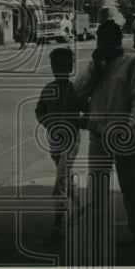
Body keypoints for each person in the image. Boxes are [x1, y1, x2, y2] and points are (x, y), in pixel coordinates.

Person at [74, 19, 135, 245]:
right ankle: (97, 233)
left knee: (130, 187)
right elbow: (76, 93)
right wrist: (96, 69)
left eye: (109, 39)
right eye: (101, 39)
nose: (104, 43)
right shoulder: (94, 66)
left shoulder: (131, 63)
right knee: (97, 187)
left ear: (117, 40)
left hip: (125, 137)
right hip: (98, 135)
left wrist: (132, 127)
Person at [34, 47, 88, 241]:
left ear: (71, 67)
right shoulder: (48, 89)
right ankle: (79, 206)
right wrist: (47, 122)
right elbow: (39, 110)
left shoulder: (77, 91)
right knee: (63, 175)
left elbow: (88, 112)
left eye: (65, 65)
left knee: (61, 179)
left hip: (71, 141)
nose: (60, 69)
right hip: (54, 142)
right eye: (57, 65)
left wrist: (81, 122)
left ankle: (59, 226)